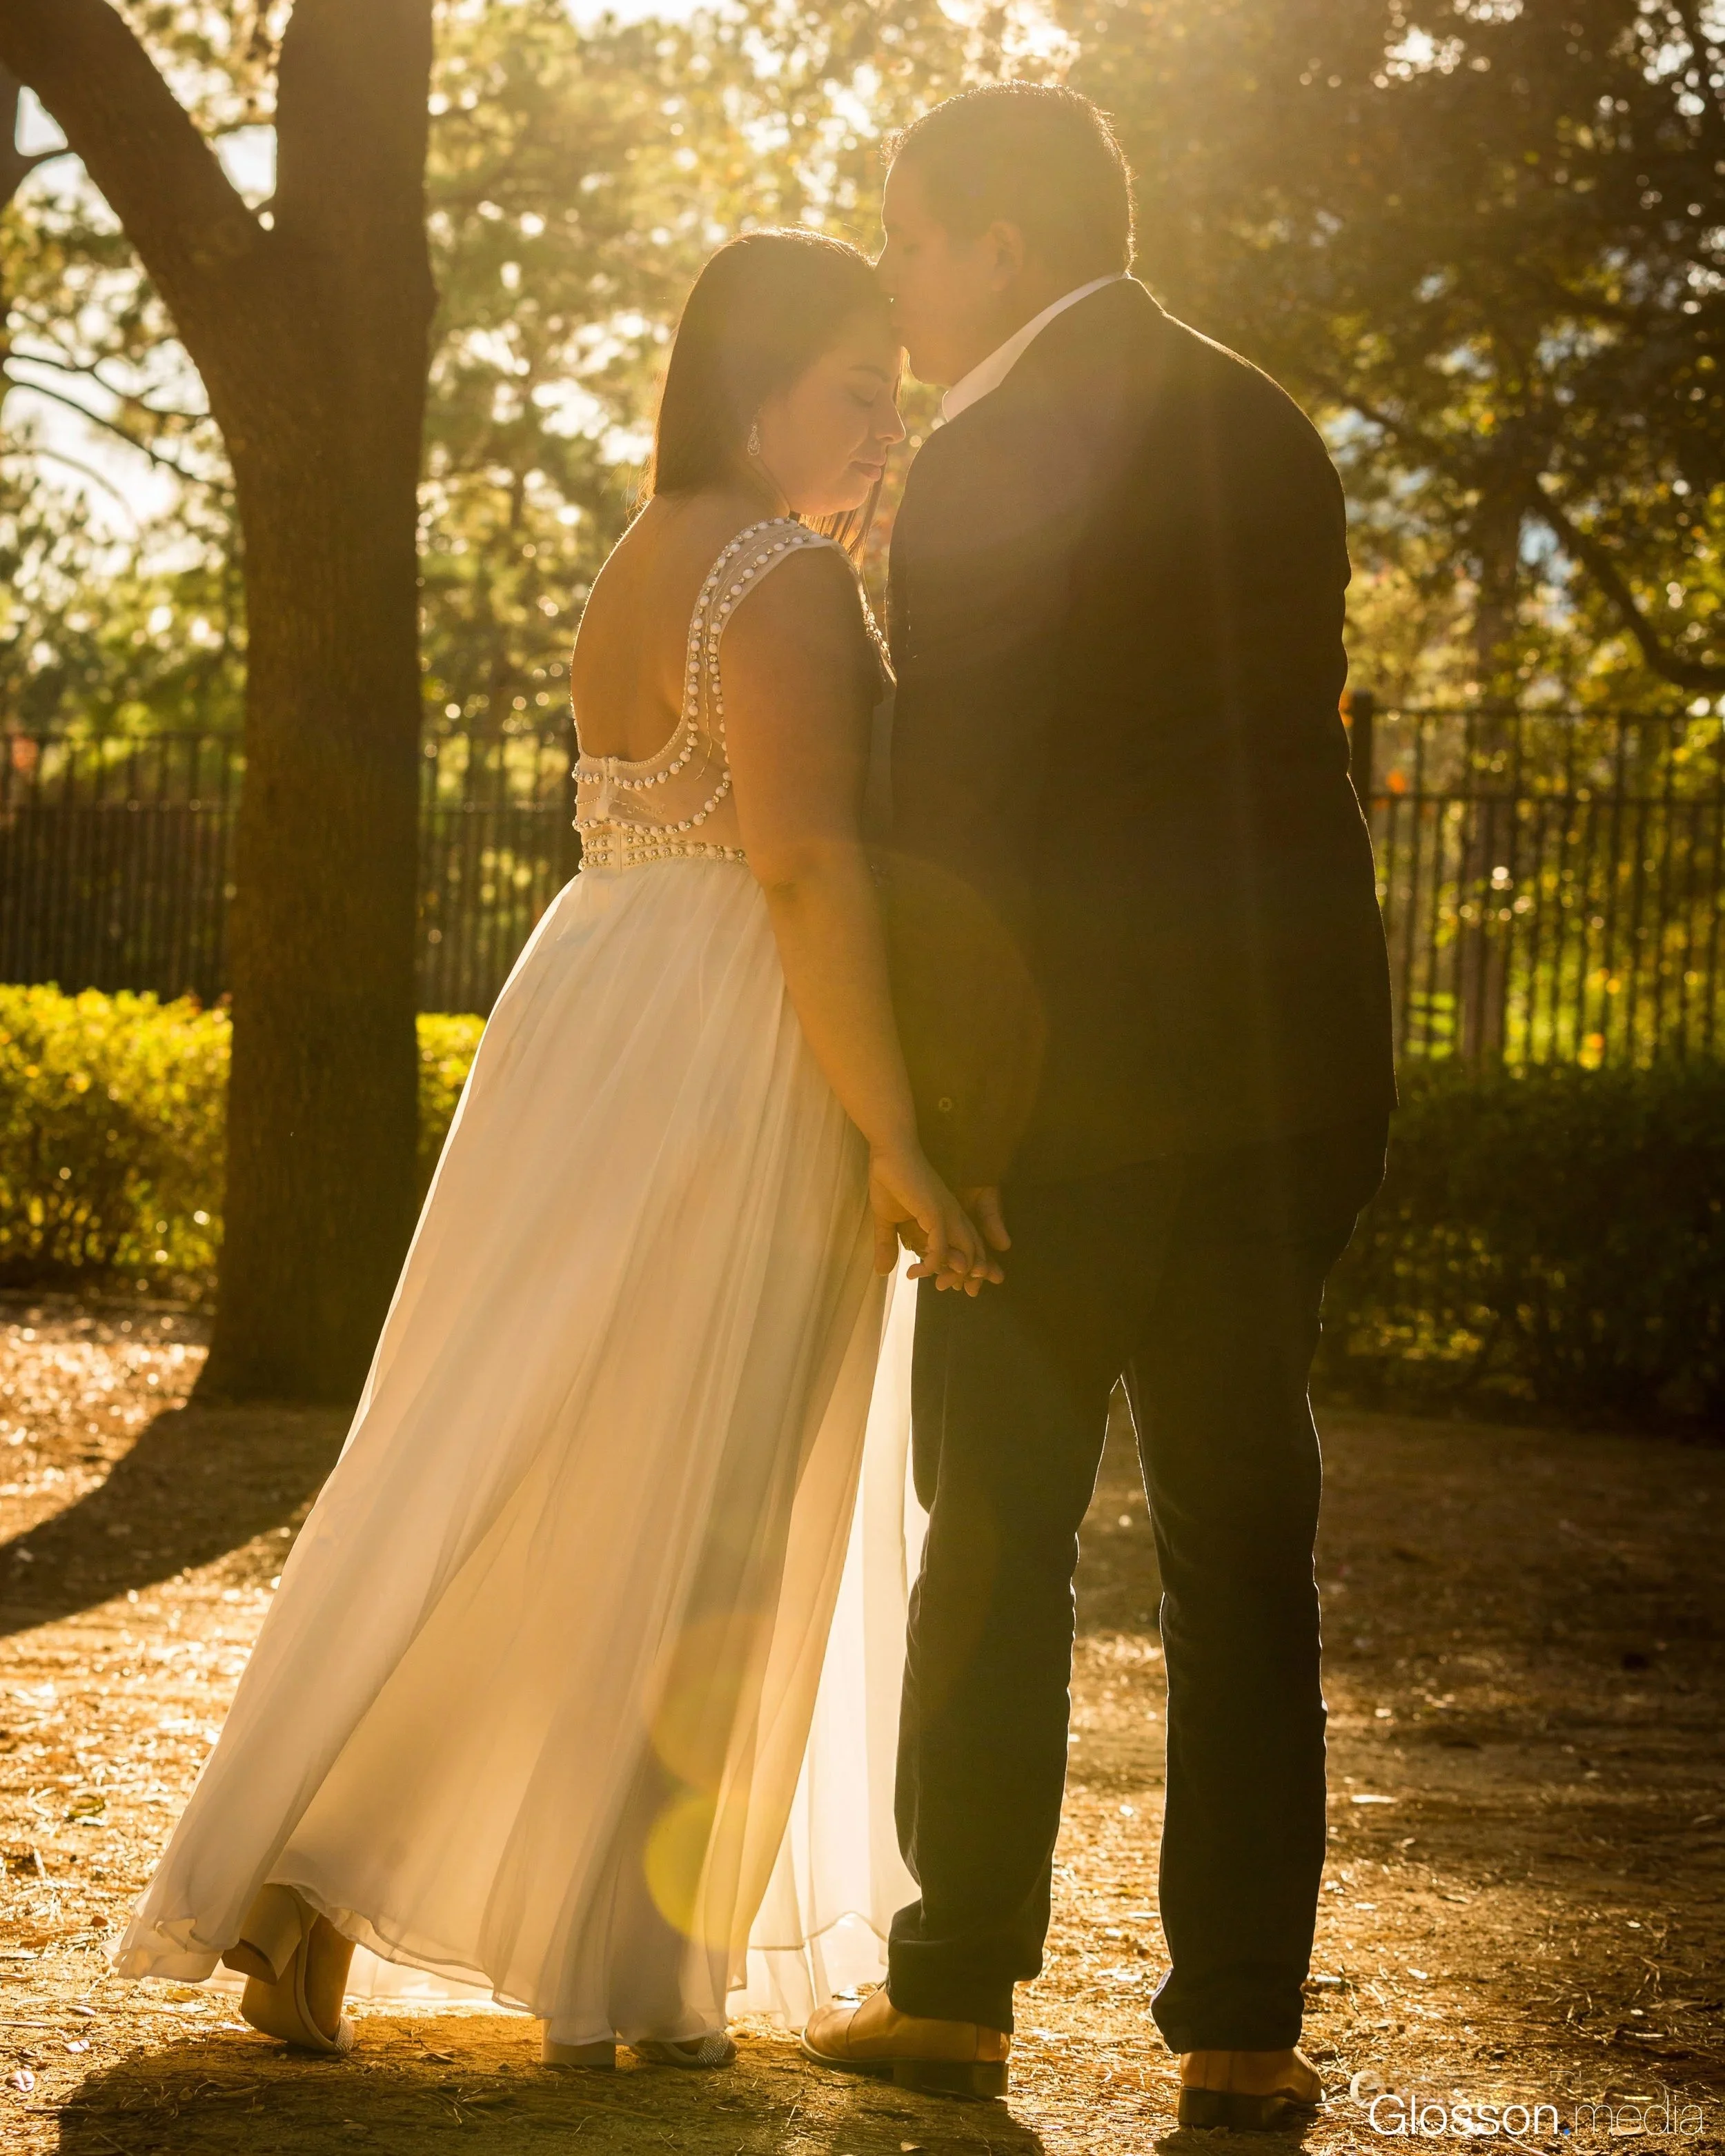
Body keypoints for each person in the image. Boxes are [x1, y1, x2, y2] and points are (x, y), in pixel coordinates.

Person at [110, 228, 998, 2070]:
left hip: (594, 1008)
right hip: (734, 1043)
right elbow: (805, 863)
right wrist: (898, 1132)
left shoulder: (646, 556)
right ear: (761, 388)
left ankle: (321, 1872)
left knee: (514, 1445)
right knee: (706, 1467)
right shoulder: (779, 579)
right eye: (856, 393)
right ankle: (620, 1950)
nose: (882, 431)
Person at [800, 86, 1397, 2127]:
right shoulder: (1264, 420)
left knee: (1001, 1532)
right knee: (1247, 1547)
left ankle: (957, 1986)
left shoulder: (985, 456)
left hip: (1057, 1099)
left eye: (906, 238)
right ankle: (1238, 2019)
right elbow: (1291, 781)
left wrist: (927, 1117)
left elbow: (961, 818)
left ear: (998, 239)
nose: (892, 281)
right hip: (1269, 1082)